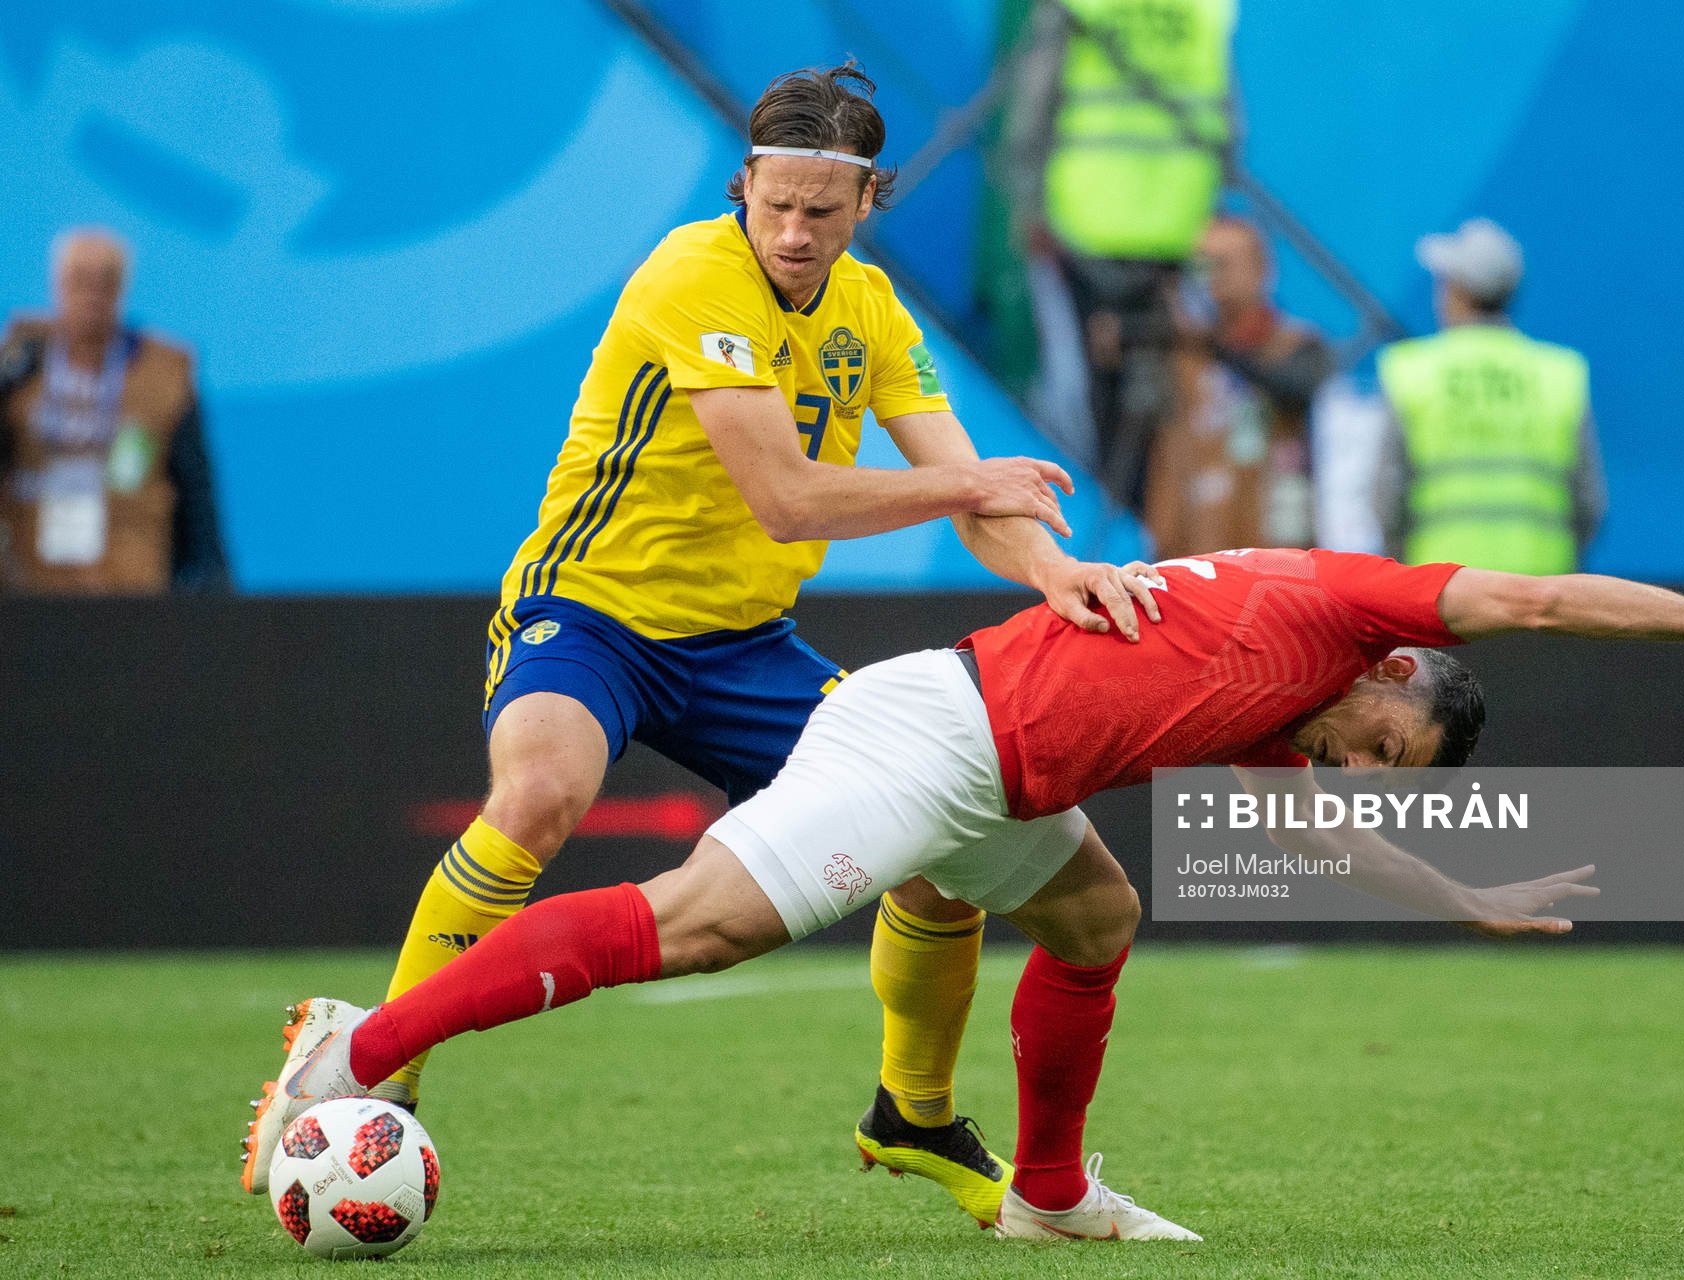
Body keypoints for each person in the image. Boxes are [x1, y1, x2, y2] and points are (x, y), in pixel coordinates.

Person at [243, 547, 1684, 1241]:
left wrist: (1470, 898)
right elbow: (1538, 597)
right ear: (1393, 676)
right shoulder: (1342, 607)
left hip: (1002, 777)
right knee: (696, 925)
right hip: (931, 738)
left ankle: (1047, 1192)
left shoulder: (1287, 718)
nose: (1373, 774)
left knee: (1097, 919)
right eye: (1390, 748)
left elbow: (1318, 840)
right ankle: (360, 1055)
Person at [240, 63, 1165, 1217]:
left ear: (866, 201)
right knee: (539, 793)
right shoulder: (694, 270)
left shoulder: (871, 311)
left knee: (943, 818)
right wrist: (971, 482)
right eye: (771, 202)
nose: (790, 230)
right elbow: (787, 496)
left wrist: (1057, 567)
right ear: (744, 184)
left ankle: (912, 1116)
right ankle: (373, 1071)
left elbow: (975, 494)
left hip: (745, 644)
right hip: (590, 612)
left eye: (819, 212)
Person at [1008, 0, 1240, 515]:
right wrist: (1216, 202)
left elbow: (1037, 95)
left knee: (1085, 392)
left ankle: (1101, 527)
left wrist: (1027, 199)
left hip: (1086, 217)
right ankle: (1145, 531)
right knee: (1170, 391)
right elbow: (1226, 116)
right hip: (1179, 221)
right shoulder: (1205, 9)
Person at [0, 228, 226, 593]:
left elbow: (195, 486)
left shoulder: (161, 373)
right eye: (80, 279)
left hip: (129, 572)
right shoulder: (18, 362)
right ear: (56, 284)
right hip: (27, 574)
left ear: (123, 288)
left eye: (106, 280)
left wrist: (212, 575)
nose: (92, 293)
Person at [1375, 218, 1606, 575]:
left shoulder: (1412, 371)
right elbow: (1590, 503)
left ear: (1457, 290)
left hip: (1441, 593)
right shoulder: (1560, 373)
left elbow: (1388, 495)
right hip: (1543, 594)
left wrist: (1399, 563)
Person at [1147, 214, 1333, 556]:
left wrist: (1216, 346)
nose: (1213, 276)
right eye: (1202, 266)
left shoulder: (1294, 344)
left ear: (1262, 270)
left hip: (1277, 550)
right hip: (1195, 550)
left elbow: (1294, 387)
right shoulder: (1181, 358)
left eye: (1224, 263)